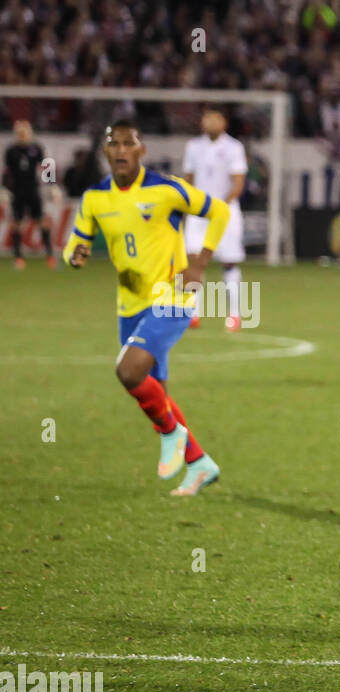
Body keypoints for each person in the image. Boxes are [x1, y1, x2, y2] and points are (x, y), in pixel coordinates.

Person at [62, 119, 229, 496]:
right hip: (130, 304)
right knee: (157, 394)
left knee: (128, 371)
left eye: (128, 144)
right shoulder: (94, 199)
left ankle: (171, 434)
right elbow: (74, 244)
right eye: (113, 144)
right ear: (105, 152)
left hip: (172, 297)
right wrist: (76, 255)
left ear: (141, 151)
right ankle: (199, 462)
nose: (120, 150)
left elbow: (219, 211)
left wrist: (200, 263)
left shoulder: (165, 189)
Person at [182, 109, 248, 331]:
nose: (210, 122)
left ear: (224, 123)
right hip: (198, 213)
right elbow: (188, 179)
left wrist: (222, 206)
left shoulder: (234, 147)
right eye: (206, 118)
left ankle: (234, 315)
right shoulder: (193, 147)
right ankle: (193, 314)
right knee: (194, 261)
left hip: (225, 213)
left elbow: (238, 182)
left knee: (228, 262)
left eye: (215, 118)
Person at [4, 120, 55, 269]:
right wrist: (4, 189)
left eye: (24, 132)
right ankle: (19, 258)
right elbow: (6, 172)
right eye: (19, 133)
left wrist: (51, 185)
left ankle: (50, 255)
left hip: (33, 189)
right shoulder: (11, 151)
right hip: (17, 191)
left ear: (29, 133)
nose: (22, 135)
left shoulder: (36, 148)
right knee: (17, 224)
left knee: (42, 221)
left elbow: (47, 165)